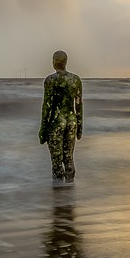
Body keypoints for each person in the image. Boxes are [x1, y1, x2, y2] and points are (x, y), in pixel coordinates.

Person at [39, 50, 83, 183]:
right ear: (65, 62)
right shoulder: (75, 80)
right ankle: (69, 191)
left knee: (57, 161)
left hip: (56, 123)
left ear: (54, 63)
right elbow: (79, 105)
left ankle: (58, 194)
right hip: (71, 121)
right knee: (69, 157)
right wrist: (80, 127)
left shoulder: (50, 80)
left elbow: (47, 106)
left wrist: (43, 129)